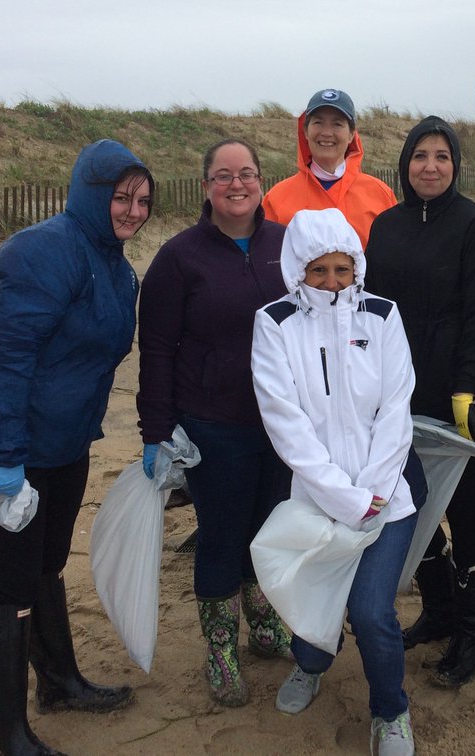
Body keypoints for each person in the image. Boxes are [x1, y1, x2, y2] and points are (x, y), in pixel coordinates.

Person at [0, 139, 152, 755]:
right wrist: (6, 457)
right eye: (121, 197)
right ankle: (4, 737)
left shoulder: (117, 267)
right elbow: (3, 360)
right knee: (10, 585)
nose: (134, 211)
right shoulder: (42, 251)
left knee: (47, 566)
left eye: (142, 199)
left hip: (63, 443)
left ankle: (59, 682)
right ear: (91, 193)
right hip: (11, 448)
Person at [251, 208, 419, 755]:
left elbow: (397, 408)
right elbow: (285, 422)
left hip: (386, 497)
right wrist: (342, 497)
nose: (330, 281)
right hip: (317, 495)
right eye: (317, 270)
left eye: (341, 269)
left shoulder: (383, 316)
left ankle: (390, 711)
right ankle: (311, 665)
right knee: (314, 590)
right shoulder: (275, 323)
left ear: (356, 267)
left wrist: (373, 492)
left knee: (372, 611)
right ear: (297, 270)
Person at [136, 139, 292, 707]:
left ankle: (263, 619)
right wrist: (156, 432)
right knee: (223, 535)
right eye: (223, 175)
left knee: (268, 527)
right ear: (206, 186)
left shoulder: (286, 245)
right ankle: (222, 648)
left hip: (283, 425)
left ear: (260, 182)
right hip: (212, 425)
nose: (236, 184)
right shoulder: (181, 257)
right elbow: (155, 348)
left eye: (246, 174)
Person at [364, 116, 475, 687]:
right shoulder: (386, 227)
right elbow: (371, 311)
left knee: (467, 509)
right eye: (420, 155)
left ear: (455, 165)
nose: (430, 166)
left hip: (465, 397)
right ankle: (440, 608)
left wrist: (468, 383)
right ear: (405, 164)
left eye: (441, 156)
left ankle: (474, 632)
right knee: (410, 503)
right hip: (399, 395)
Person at [261, 88, 397, 248]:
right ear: (305, 131)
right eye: (318, 122)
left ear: (351, 134)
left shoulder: (380, 195)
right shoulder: (276, 198)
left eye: (337, 124)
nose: (326, 133)